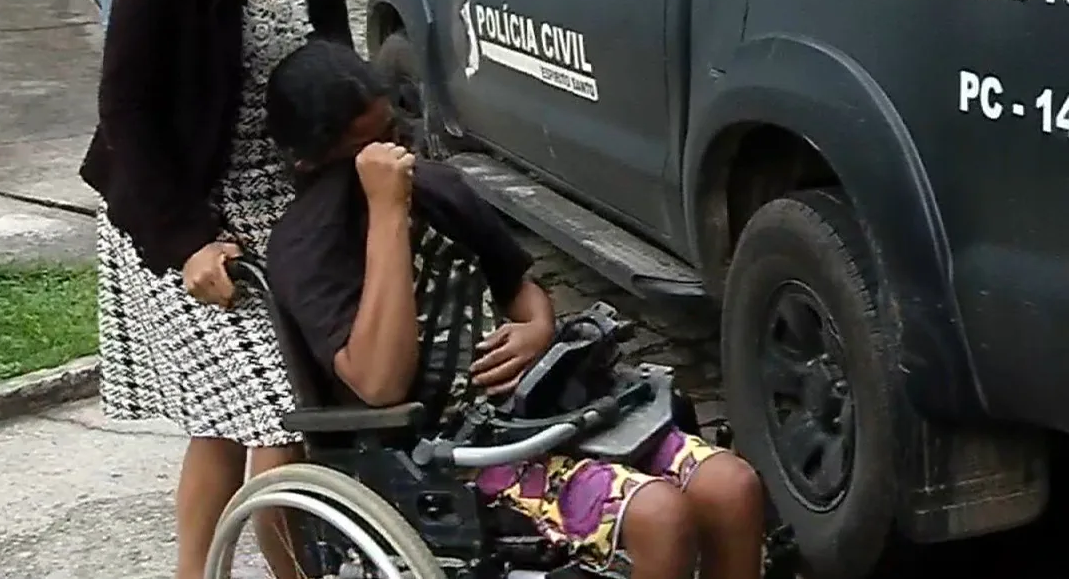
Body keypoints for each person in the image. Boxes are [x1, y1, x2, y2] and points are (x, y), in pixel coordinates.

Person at [264, 40, 767, 579]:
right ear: (311, 161)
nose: (391, 158)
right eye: (368, 151)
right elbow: (379, 383)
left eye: (392, 136)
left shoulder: (438, 189)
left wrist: (536, 326)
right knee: (659, 517)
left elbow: (519, 286)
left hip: (540, 409)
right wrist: (386, 213)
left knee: (731, 487)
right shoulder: (306, 247)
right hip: (445, 456)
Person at [77, 0, 356, 577]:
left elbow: (334, 66)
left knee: (230, 418)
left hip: (285, 205)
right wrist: (188, 237)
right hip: (175, 208)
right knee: (274, 413)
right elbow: (124, 106)